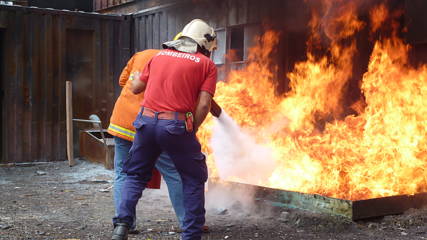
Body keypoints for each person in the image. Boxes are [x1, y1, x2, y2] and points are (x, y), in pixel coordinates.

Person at [112, 19, 218, 240]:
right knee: (192, 177)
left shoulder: (159, 56)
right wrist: (192, 129)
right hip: (175, 124)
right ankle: (190, 234)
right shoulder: (206, 65)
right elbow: (204, 104)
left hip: (146, 122)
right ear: (204, 44)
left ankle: (122, 225)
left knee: (134, 175)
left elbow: (137, 86)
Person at [108, 49, 185, 232]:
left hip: (122, 120)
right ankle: (187, 222)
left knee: (122, 172)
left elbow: (122, 81)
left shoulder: (141, 54)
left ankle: (125, 225)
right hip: (150, 124)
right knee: (173, 172)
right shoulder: (179, 63)